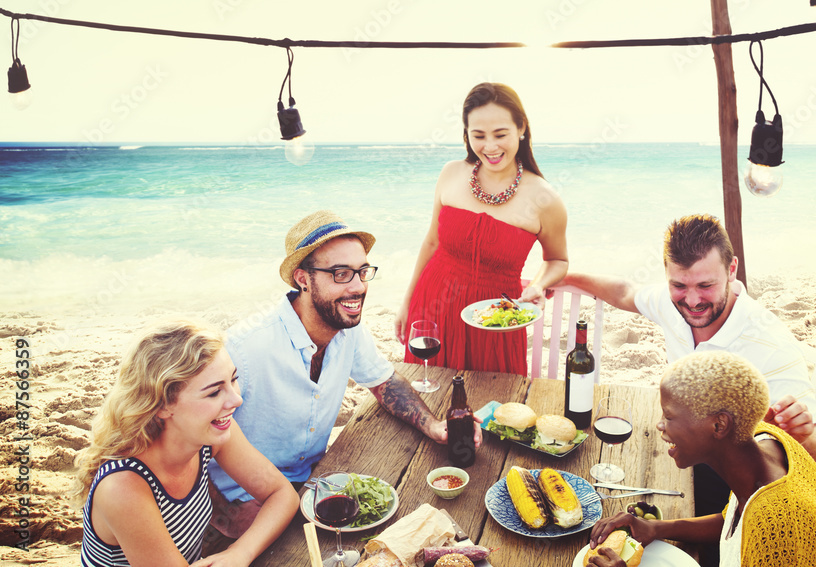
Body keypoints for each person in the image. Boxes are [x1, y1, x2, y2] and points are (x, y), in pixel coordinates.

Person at [558, 214, 816, 566]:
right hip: (725, 470)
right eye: (679, 286)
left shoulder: (769, 345)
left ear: (732, 269)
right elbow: (625, 292)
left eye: (705, 285)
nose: (691, 300)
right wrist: (560, 275)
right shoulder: (752, 483)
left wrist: (803, 432)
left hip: (725, 475)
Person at [206, 210, 481, 538]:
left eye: (362, 272)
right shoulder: (245, 348)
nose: (358, 287)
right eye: (341, 274)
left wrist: (434, 426)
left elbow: (384, 381)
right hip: (246, 501)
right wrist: (223, 512)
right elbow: (184, 433)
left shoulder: (347, 327)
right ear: (303, 279)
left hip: (314, 485)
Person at [587, 351, 816, 567]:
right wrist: (654, 528)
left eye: (669, 416)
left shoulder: (774, 524)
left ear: (718, 425)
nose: (659, 425)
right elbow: (733, 525)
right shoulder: (762, 440)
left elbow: (761, 529)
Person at [74, 319, 299, 567]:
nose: (236, 400)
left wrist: (240, 552)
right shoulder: (123, 486)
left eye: (233, 379)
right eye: (214, 392)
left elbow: (282, 494)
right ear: (163, 405)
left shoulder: (210, 434)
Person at [395, 82, 569, 375]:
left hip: (495, 319)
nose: (490, 146)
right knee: (428, 397)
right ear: (466, 135)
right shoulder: (451, 173)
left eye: (500, 134)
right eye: (478, 135)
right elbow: (431, 243)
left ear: (521, 128)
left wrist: (538, 284)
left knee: (494, 409)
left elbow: (558, 259)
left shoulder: (545, 198)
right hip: (433, 303)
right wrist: (407, 302)